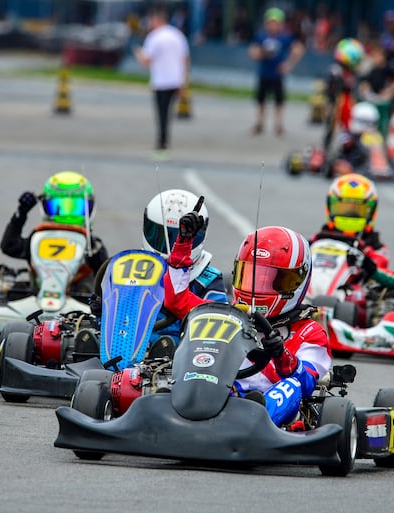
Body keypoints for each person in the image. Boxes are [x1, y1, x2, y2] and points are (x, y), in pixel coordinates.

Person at [163, 212, 330, 428]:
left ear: (295, 283)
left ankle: (254, 420)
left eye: (271, 280)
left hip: (266, 406)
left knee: (293, 386)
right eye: (252, 275)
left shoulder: (309, 332)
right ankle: (170, 407)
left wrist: (281, 355)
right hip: (219, 391)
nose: (259, 288)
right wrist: (183, 244)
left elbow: (306, 383)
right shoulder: (224, 314)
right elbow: (177, 299)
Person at [0, 171, 109, 296]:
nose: (68, 217)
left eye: (75, 208)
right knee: (12, 289)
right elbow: (9, 246)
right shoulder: (38, 239)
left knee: (90, 288)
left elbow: (105, 278)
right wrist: (21, 213)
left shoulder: (92, 246)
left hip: (78, 302)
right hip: (37, 297)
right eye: (59, 208)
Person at [140, 189, 227, 343]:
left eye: (178, 236)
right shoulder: (135, 270)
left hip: (182, 354)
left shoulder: (208, 280)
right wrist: (103, 313)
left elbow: (218, 324)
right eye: (164, 236)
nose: (170, 245)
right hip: (135, 346)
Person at [134, 5, 190, 156]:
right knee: (168, 112)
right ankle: (164, 140)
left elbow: (146, 60)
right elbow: (185, 59)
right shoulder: (177, 35)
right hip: (175, 80)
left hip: (161, 81)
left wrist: (138, 54)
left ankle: (162, 141)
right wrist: (184, 80)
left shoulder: (154, 37)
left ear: (156, 20)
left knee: (161, 112)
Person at [311, 173, 389, 269]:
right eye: (344, 208)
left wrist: (366, 262)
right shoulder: (317, 240)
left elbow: (381, 264)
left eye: (357, 210)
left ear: (371, 212)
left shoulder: (376, 247)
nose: (350, 214)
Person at [249, 7, 305, 137]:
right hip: (264, 73)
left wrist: (289, 64)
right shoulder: (261, 36)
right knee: (261, 101)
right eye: (271, 22)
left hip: (277, 74)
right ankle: (259, 124)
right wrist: (262, 54)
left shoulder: (285, 37)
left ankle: (279, 125)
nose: (273, 25)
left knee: (279, 102)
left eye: (276, 22)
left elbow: (298, 49)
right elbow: (252, 52)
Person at [322, 37, 364, 151]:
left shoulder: (352, 72)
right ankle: (328, 150)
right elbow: (330, 92)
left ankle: (348, 148)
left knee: (350, 129)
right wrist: (330, 106)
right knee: (332, 129)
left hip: (348, 104)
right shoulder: (335, 70)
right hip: (337, 103)